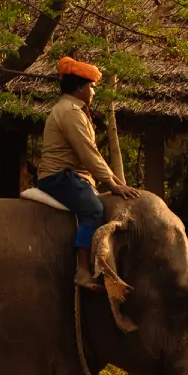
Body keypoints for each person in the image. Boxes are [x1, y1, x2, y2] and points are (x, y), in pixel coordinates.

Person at [35, 57, 138, 287]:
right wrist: (112, 185)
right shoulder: (70, 112)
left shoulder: (75, 110)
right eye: (91, 86)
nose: (93, 91)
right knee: (93, 209)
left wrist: (114, 180)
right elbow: (88, 153)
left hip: (71, 176)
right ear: (80, 86)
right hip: (60, 177)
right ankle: (82, 270)